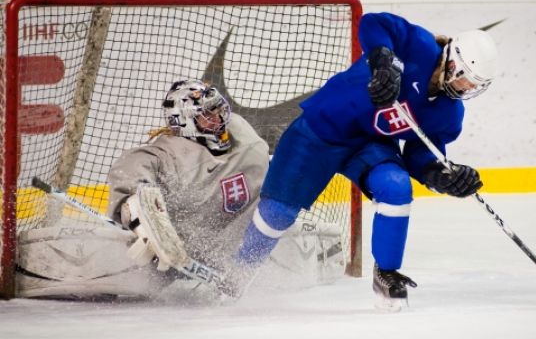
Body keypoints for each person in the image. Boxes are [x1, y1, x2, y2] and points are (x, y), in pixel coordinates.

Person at [236, 12, 498, 310]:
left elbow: (420, 152)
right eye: (465, 78)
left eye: (473, 86)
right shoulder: (419, 47)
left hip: (369, 144)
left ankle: (386, 273)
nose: (465, 88)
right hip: (321, 128)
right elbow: (375, 22)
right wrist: (383, 60)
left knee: (396, 186)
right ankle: (238, 272)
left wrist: (439, 174)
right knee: (278, 213)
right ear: (452, 60)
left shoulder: (449, 113)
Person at [16, 80, 344, 300]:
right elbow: (130, 173)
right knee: (125, 277)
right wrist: (138, 212)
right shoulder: (165, 152)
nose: (219, 118)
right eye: (207, 115)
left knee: (298, 244)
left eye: (219, 110)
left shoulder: (241, 131)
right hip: (172, 256)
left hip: (243, 244)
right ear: (184, 123)